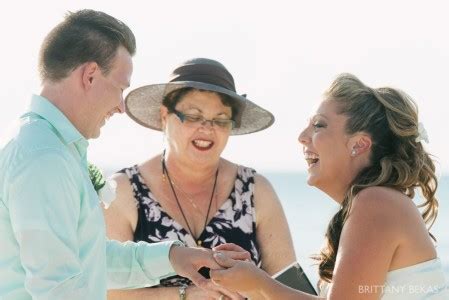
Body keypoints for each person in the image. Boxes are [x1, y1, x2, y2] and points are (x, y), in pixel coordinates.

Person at [0, 10, 226, 299]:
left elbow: (90, 261)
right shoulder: (43, 158)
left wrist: (174, 257)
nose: (121, 106)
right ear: (90, 75)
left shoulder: (45, 146)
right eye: (120, 87)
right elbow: (59, 289)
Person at [209, 73, 449, 299]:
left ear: (359, 144)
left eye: (319, 125)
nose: (302, 136)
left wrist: (260, 284)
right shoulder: (376, 203)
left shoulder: (376, 203)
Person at [103, 58, 297, 299]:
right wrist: (187, 295)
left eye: (220, 119)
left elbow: (291, 288)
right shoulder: (124, 191)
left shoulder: (256, 190)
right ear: (165, 116)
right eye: (194, 116)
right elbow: (103, 290)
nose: (207, 128)